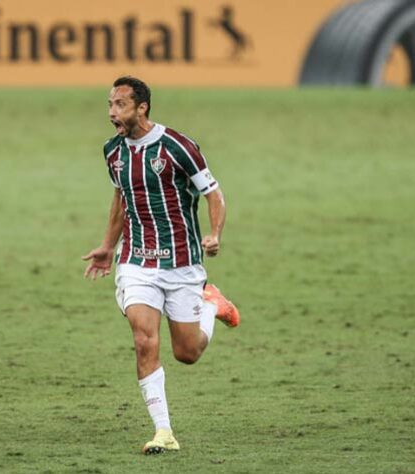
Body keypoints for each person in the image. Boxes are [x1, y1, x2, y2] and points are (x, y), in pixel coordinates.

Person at [82, 76, 240, 455]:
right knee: (143, 338)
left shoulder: (178, 147)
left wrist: (215, 233)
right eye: (109, 104)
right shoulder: (113, 152)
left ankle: (212, 304)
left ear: (142, 108)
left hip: (182, 262)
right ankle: (163, 432)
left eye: (119, 105)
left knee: (187, 352)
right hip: (137, 260)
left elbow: (213, 193)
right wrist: (108, 246)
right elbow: (121, 200)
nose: (111, 113)